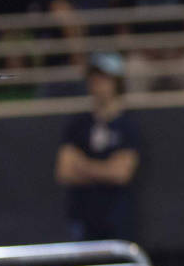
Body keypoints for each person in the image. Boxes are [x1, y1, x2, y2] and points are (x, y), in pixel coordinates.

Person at [54, 51, 140, 242]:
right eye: (94, 78)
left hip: (117, 221)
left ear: (117, 82)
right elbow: (65, 171)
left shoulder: (128, 126)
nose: (98, 84)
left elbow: (121, 173)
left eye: (104, 78)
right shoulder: (77, 125)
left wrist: (83, 166)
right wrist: (105, 169)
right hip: (82, 219)